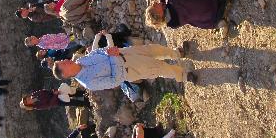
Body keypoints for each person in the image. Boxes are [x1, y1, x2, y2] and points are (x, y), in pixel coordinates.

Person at [53, 42, 197, 90]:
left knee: (152, 50)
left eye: (63, 60)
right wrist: (114, 57)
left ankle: (176, 53)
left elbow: (96, 52)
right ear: (65, 74)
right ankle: (184, 75)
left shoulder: (81, 60)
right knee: (158, 68)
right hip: (130, 69)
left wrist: (108, 51)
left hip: (125, 53)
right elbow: (115, 80)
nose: (66, 61)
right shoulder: (88, 82)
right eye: (63, 64)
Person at [20, 87, 89, 110]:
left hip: (54, 94)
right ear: (28, 105)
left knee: (70, 93)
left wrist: (53, 91)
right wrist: (55, 95)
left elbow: (44, 91)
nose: (27, 100)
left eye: (26, 99)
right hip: (57, 101)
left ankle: (85, 93)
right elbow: (49, 104)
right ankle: (88, 104)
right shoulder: (37, 106)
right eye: (26, 102)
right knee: (73, 102)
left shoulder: (34, 94)